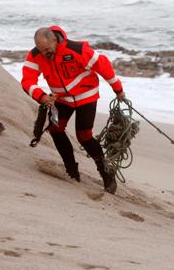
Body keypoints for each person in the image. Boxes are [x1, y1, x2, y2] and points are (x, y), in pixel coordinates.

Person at [21, 26, 125, 194]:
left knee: (84, 136)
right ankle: (71, 169)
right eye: (41, 50)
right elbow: (27, 81)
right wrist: (42, 96)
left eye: (47, 49)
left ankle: (106, 172)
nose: (44, 54)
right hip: (62, 99)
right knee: (55, 129)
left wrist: (118, 89)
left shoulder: (77, 49)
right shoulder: (35, 55)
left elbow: (103, 65)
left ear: (54, 40)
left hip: (86, 96)